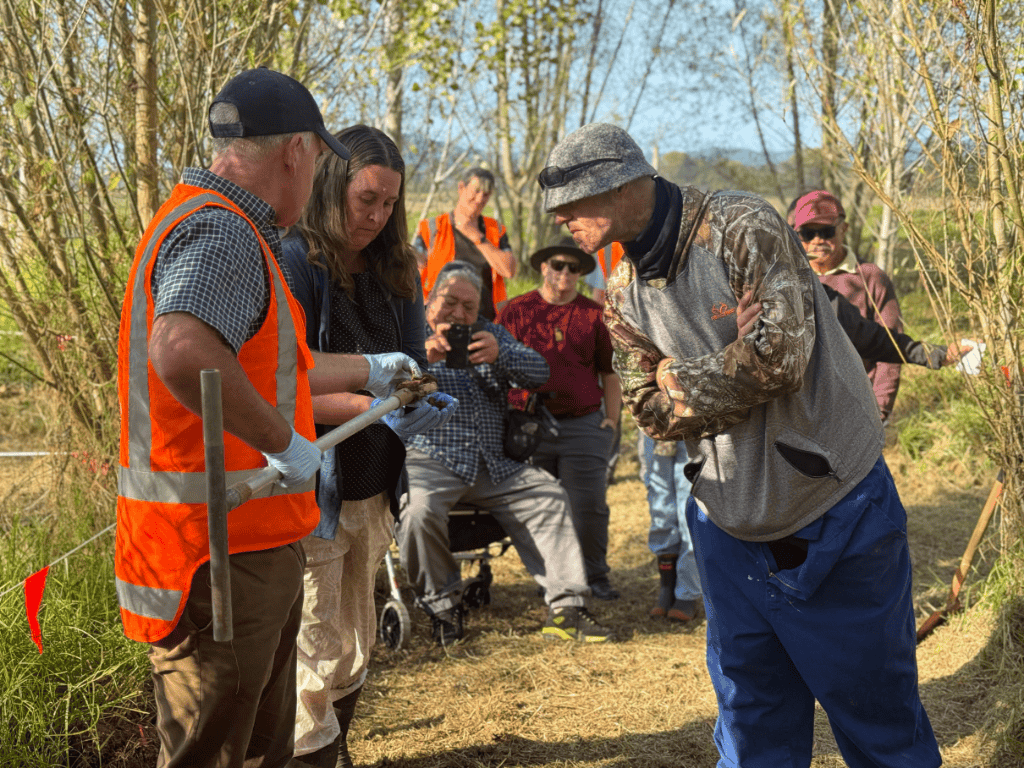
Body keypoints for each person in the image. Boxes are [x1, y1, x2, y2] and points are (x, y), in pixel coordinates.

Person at [542, 122, 941, 768]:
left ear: (623, 183)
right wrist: (730, 358)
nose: (559, 218)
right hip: (727, 529)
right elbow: (648, 411)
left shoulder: (738, 226)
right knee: (753, 729)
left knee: (880, 727)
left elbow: (780, 359)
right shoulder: (621, 294)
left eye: (572, 201)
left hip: (834, 511)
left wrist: (680, 373)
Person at [115, 69, 421, 768]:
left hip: (239, 545)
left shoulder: (223, 229)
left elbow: (272, 370)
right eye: (320, 158)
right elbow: (182, 350)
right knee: (217, 753)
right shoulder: (223, 234)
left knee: (255, 752)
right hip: (217, 555)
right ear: (297, 153)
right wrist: (283, 440)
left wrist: (374, 368)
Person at [280, 125, 457, 768]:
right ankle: (311, 755)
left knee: (356, 641)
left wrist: (420, 396)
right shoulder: (294, 258)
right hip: (312, 482)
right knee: (313, 643)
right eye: (366, 200)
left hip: (376, 479)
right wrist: (366, 402)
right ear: (332, 186)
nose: (378, 217)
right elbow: (279, 384)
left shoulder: (397, 263)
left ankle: (337, 746)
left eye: (389, 203)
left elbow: (409, 367)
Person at [397, 262, 612, 644]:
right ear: (430, 299)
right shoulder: (410, 333)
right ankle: (442, 603)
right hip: (432, 457)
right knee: (417, 511)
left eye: (470, 306)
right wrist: (416, 362)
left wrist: (502, 355)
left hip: (494, 463)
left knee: (548, 495)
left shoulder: (491, 333)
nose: (460, 314)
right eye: (451, 302)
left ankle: (566, 610)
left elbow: (541, 371)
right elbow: (378, 389)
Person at [497, 237, 622, 600]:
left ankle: (595, 576)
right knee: (540, 508)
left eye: (573, 267)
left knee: (588, 506)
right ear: (543, 267)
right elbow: (495, 367)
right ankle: (552, 578)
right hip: (527, 423)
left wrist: (611, 421)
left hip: (582, 422)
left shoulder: (592, 314)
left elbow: (609, 373)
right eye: (558, 265)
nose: (564, 273)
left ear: (582, 273)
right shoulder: (516, 311)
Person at [792, 190, 904, 423]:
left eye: (826, 232)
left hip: (856, 413)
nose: (817, 241)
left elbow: (891, 349)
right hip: (798, 416)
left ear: (844, 228)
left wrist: (878, 412)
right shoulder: (786, 279)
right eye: (807, 233)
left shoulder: (871, 279)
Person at [415, 168, 517, 319]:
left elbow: (508, 270)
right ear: (461, 188)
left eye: (486, 194)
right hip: (441, 320)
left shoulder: (495, 230)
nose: (480, 199)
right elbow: (413, 279)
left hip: (487, 320)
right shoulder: (432, 228)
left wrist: (476, 236)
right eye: (476, 191)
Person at [640, 435, 702, 622]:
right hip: (655, 429)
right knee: (661, 510)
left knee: (689, 505)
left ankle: (687, 593)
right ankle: (666, 588)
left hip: (692, 428)